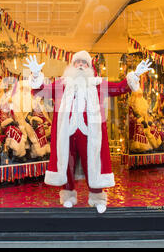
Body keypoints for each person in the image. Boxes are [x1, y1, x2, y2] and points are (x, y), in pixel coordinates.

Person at [25, 50, 151, 213]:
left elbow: (120, 88)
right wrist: (36, 74)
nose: (81, 66)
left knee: (93, 163)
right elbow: (41, 91)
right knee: (67, 164)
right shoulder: (62, 84)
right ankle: (68, 196)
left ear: (90, 67)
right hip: (67, 134)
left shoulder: (97, 84)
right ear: (72, 65)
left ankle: (97, 197)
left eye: (84, 63)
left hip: (90, 134)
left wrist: (134, 75)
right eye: (77, 62)